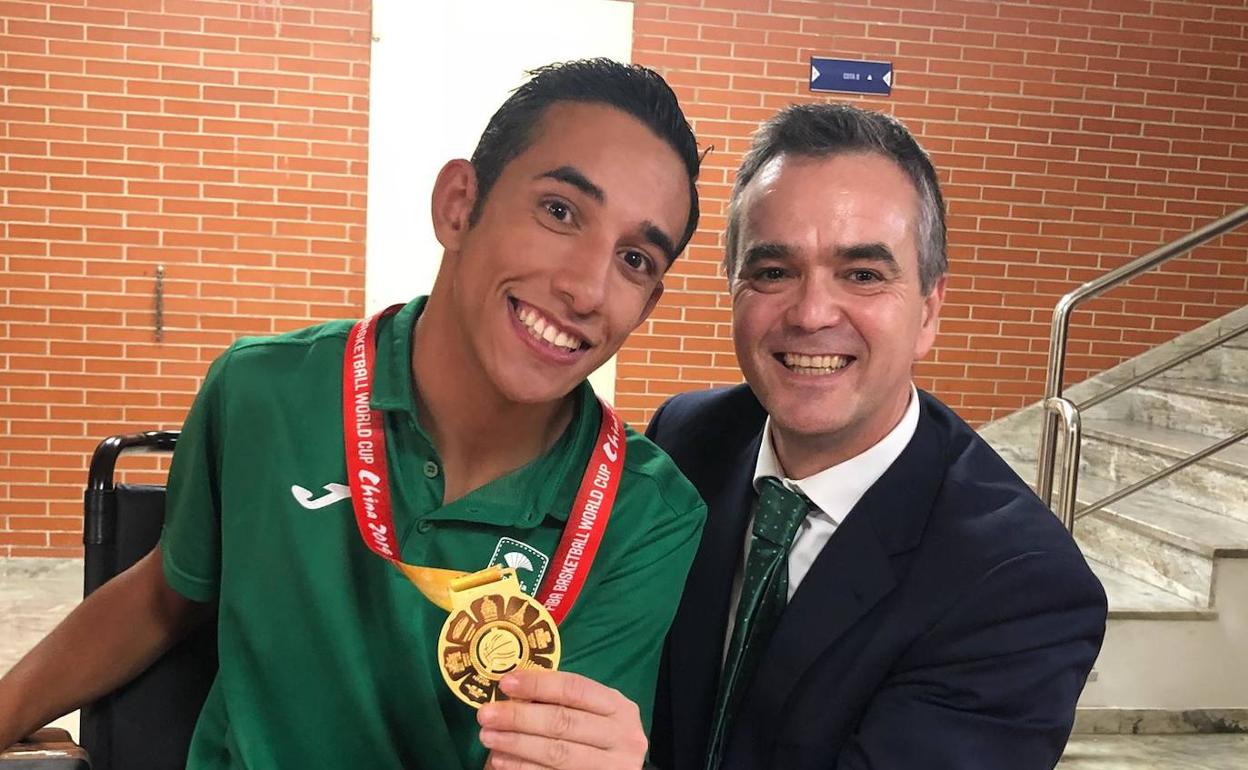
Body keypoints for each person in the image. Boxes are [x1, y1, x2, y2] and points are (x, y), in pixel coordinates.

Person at [0, 59, 708, 770]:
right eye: (560, 211)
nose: (588, 287)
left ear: (646, 306)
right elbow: (167, 594)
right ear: (459, 205)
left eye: (636, 259)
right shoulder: (264, 391)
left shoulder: (646, 515)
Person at [476, 104, 1108, 770]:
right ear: (733, 290)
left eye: (862, 275)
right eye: (774, 272)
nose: (810, 314)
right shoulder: (686, 442)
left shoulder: (1020, 588)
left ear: (928, 311)